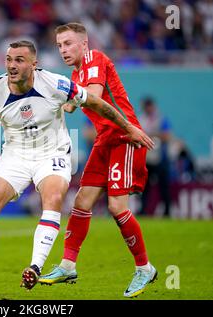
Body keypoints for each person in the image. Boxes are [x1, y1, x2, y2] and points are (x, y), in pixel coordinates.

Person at [0, 40, 154, 297]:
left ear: (34, 64)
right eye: (9, 59)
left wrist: (129, 127)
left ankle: (35, 266)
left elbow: (97, 103)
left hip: (52, 153)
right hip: (15, 154)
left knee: (53, 196)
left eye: (19, 60)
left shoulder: (55, 84)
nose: (12, 65)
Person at [38, 23, 157, 298]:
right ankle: (68, 265)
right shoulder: (76, 72)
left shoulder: (96, 59)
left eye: (68, 43)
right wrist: (60, 103)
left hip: (125, 136)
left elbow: (92, 97)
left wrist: (69, 100)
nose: (63, 50)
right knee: (81, 202)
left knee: (117, 207)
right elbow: (74, 101)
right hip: (104, 140)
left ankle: (144, 268)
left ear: (83, 43)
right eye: (59, 45)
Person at [139, 96, 172, 217]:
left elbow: (167, 136)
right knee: (144, 187)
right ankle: (143, 211)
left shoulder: (161, 119)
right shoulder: (141, 119)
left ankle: (167, 211)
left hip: (160, 158)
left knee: (164, 187)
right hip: (146, 158)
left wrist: (151, 135)